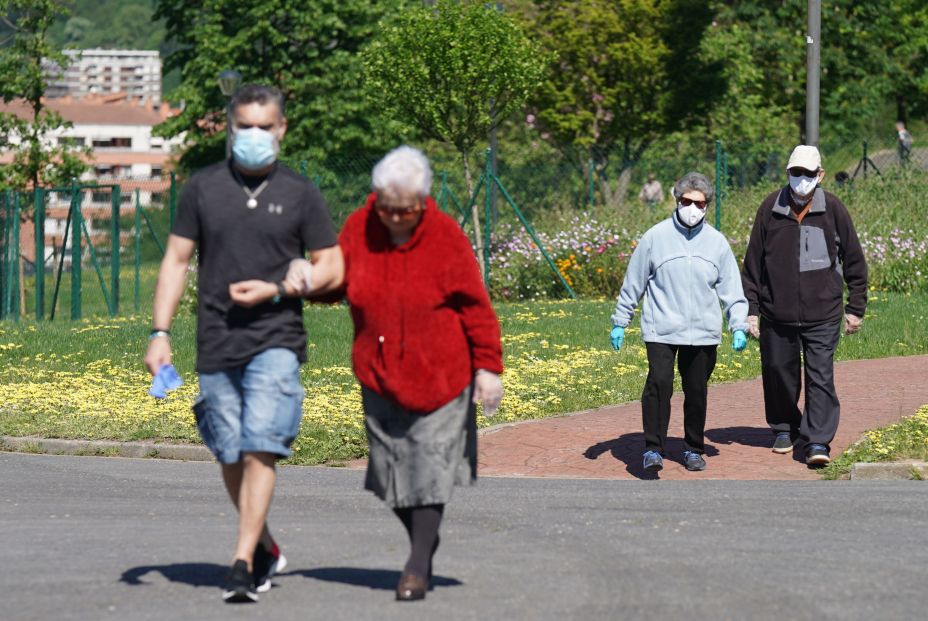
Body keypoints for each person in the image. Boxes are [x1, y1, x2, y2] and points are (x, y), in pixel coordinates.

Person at [244, 145, 504, 602]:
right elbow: (336, 284)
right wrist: (306, 276)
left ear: (422, 202)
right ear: (376, 199)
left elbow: (475, 308)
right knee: (390, 473)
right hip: (379, 373)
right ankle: (425, 540)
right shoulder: (359, 229)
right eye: (388, 208)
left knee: (431, 470)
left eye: (406, 210)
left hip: (442, 375)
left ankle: (417, 564)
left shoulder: (445, 236)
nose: (396, 217)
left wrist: (488, 367)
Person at [144, 84, 344, 603]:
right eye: (244, 126)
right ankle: (265, 546)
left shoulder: (300, 193)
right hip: (216, 340)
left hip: (277, 338)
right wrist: (160, 333)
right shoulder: (203, 189)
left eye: (264, 126)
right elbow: (176, 261)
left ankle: (242, 562)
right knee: (230, 451)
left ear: (281, 130)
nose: (254, 135)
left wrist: (284, 285)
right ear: (231, 128)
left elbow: (333, 265)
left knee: (261, 445)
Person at [610, 172, 748, 473]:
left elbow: (731, 289)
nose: (692, 208)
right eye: (686, 201)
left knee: (696, 389)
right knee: (659, 383)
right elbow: (633, 282)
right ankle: (652, 448)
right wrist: (621, 320)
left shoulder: (717, 243)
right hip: (661, 326)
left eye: (699, 203)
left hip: (703, 331)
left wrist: (738, 324)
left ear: (707, 206)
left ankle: (693, 448)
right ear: (676, 200)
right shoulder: (654, 238)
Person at [741, 145, 868, 467]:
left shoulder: (834, 210)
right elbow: (753, 262)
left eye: (809, 174)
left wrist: (855, 307)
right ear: (788, 173)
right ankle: (784, 426)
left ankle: (817, 441)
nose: (802, 180)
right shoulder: (770, 207)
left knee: (820, 376)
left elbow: (853, 258)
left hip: (822, 312)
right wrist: (751, 309)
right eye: (796, 173)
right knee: (778, 372)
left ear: (820, 175)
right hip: (776, 312)